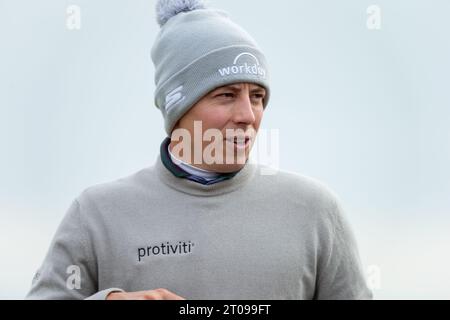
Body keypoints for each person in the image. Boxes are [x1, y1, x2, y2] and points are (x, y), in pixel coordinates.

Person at [26, 0, 372, 300]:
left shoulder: (314, 211)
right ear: (178, 105)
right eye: (226, 95)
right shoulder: (97, 214)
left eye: (257, 97)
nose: (247, 116)